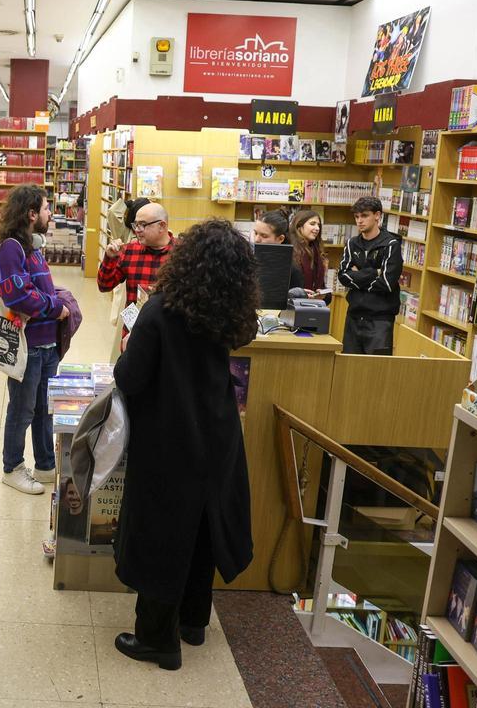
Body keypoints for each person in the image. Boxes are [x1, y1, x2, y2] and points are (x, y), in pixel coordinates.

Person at [110, 220, 256, 671]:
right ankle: (193, 622)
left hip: (170, 437)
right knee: (203, 529)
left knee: (162, 534)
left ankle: (157, 639)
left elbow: (131, 376)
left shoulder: (162, 310)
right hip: (219, 433)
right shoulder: (230, 313)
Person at [0, 184, 72, 495]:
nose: (50, 213)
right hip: (28, 346)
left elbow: (38, 289)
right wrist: (56, 308)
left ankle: (45, 464)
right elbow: (18, 296)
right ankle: (12, 467)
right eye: (46, 208)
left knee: (44, 408)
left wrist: (57, 301)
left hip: (46, 343)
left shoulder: (32, 246)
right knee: (23, 409)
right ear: (30, 214)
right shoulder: (11, 247)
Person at [97, 202, 174, 349]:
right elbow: (104, 285)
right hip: (134, 336)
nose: (137, 230)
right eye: (136, 225)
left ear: (162, 226)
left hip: (168, 338)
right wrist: (110, 258)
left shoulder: (182, 255)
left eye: (143, 225)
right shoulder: (130, 251)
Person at [338, 196, 402, 355]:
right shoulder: (351, 243)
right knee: (349, 369)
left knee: (376, 373)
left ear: (377, 215)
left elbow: (387, 283)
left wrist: (357, 275)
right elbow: (343, 277)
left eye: (364, 215)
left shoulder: (391, 244)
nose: (359, 221)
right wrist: (375, 272)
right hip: (353, 316)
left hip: (380, 320)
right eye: (356, 217)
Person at [289, 209, 332, 303]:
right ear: (299, 226)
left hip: (314, 308)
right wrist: (301, 295)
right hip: (292, 309)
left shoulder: (317, 252)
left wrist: (324, 295)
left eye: (318, 225)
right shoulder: (290, 251)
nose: (317, 228)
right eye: (312, 224)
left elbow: (321, 286)